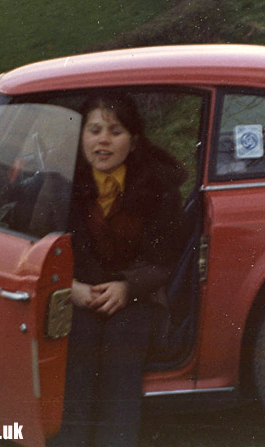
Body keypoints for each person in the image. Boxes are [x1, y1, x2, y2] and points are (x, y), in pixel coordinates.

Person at [50, 92, 186, 447]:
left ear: (134, 139)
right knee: (75, 356)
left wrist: (128, 288)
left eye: (115, 131)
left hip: (138, 296)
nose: (103, 140)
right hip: (80, 294)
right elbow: (46, 248)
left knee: (122, 356)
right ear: (81, 137)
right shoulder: (62, 185)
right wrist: (73, 287)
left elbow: (166, 257)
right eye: (94, 130)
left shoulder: (159, 188)